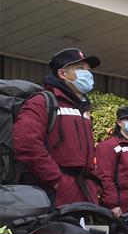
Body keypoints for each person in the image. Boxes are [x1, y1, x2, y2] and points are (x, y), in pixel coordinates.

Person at [13, 48, 100, 206]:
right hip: (54, 194)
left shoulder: (84, 109)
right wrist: (57, 181)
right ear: (62, 73)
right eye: (80, 69)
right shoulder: (41, 102)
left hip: (84, 192)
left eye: (88, 70)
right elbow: (27, 144)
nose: (87, 74)